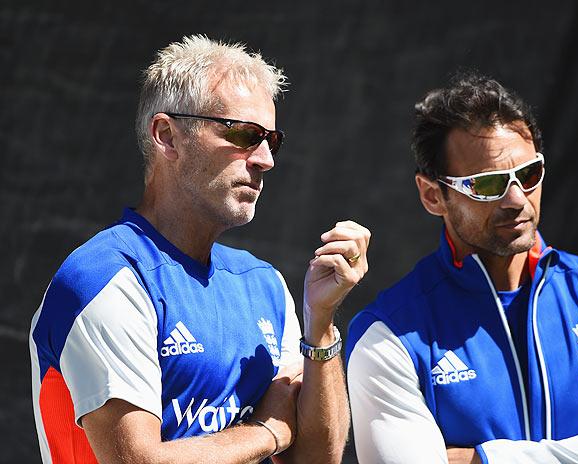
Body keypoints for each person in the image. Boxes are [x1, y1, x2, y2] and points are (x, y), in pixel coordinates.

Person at [30, 35, 370, 464]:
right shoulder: (104, 277)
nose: (266, 159)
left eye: (272, 140)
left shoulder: (261, 282)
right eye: (245, 134)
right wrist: (265, 432)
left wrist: (319, 325)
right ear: (167, 135)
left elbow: (316, 460)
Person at [345, 74, 578, 463]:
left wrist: (476, 459)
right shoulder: (387, 334)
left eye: (530, 174)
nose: (517, 198)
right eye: (488, 184)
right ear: (434, 196)